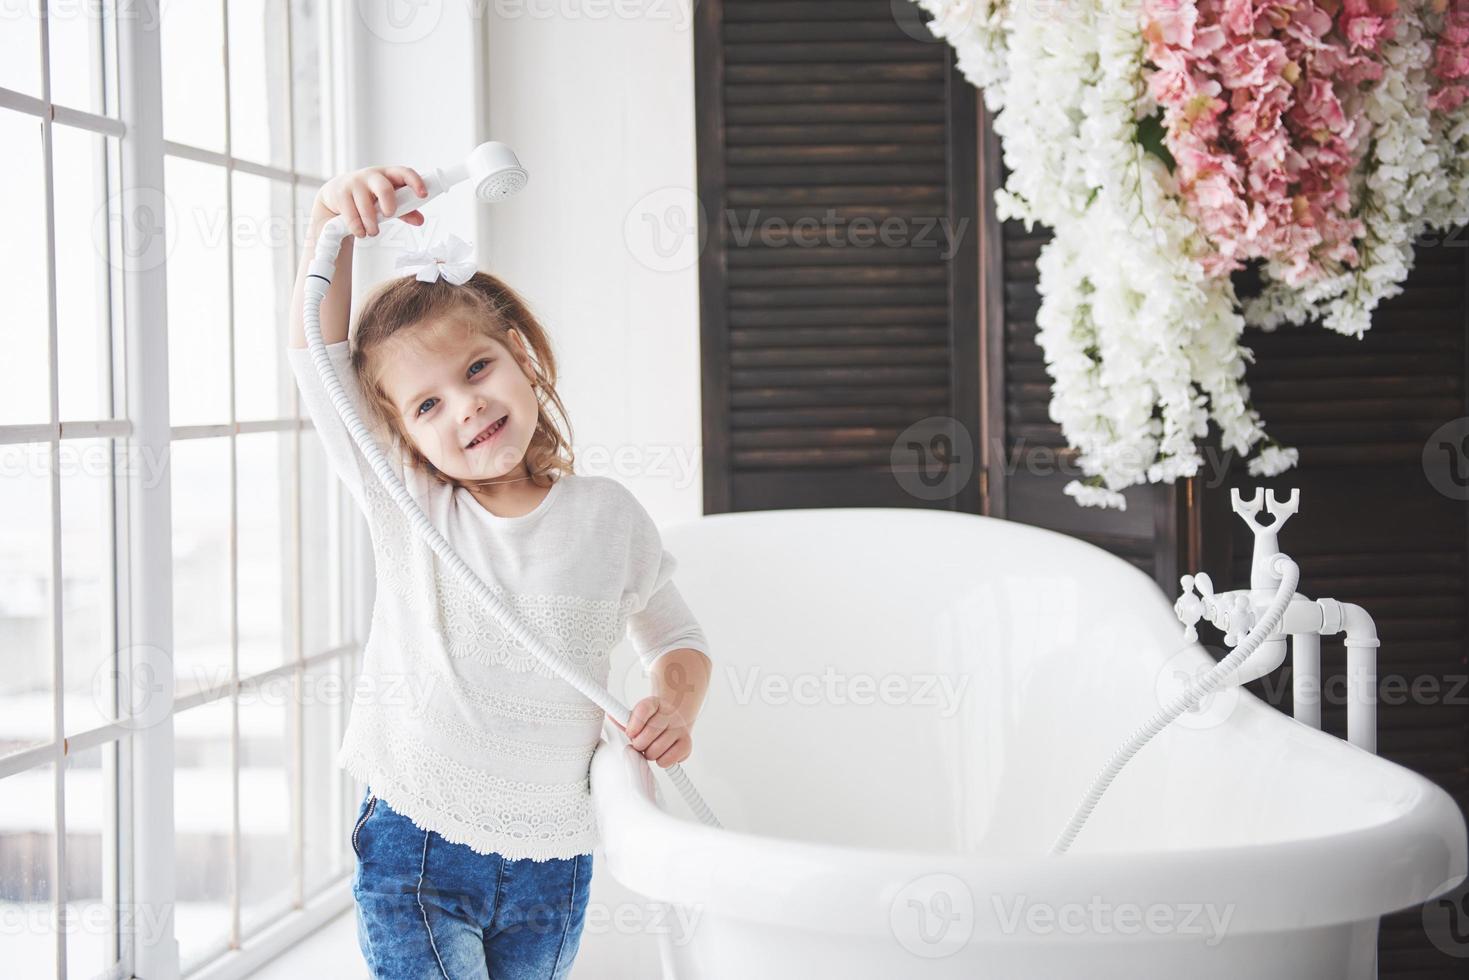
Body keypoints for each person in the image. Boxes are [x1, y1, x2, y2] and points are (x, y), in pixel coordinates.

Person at [285, 165, 714, 979]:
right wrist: (330, 225)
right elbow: (317, 356)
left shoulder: (608, 516)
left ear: (517, 356)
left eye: (476, 371)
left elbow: (679, 638)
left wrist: (674, 701)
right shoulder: (409, 504)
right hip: (417, 843)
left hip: (554, 859)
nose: (465, 406)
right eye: (427, 406)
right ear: (401, 439)